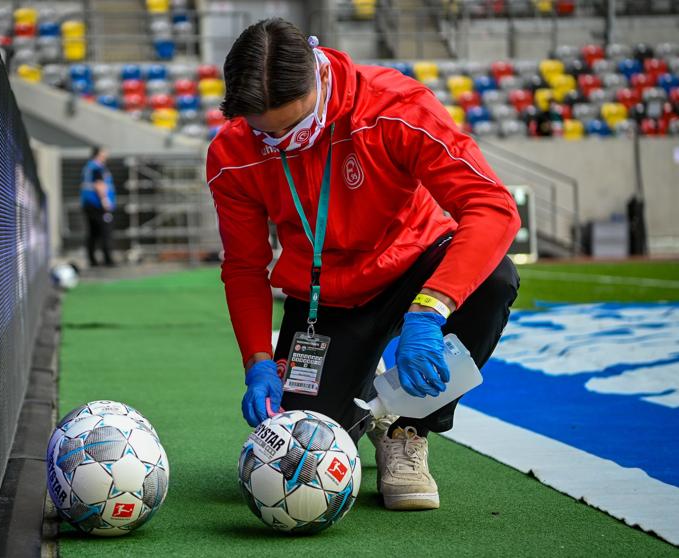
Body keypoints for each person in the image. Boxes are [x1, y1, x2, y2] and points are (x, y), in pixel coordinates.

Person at [206, 19, 520, 511]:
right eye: (265, 132)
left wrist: (431, 310)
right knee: (300, 455)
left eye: (293, 126)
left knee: (494, 280)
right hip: (323, 297)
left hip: (414, 266)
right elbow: (245, 266)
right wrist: (258, 361)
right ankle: (364, 391)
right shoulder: (231, 153)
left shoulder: (394, 107)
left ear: (318, 78)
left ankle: (407, 429)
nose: (281, 142)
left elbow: (492, 207)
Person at [81, 146, 116, 267]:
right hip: (97, 205)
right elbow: (99, 185)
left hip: (89, 204)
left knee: (93, 233)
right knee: (105, 231)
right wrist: (105, 201)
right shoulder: (97, 167)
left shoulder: (89, 167)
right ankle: (108, 259)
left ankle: (92, 260)